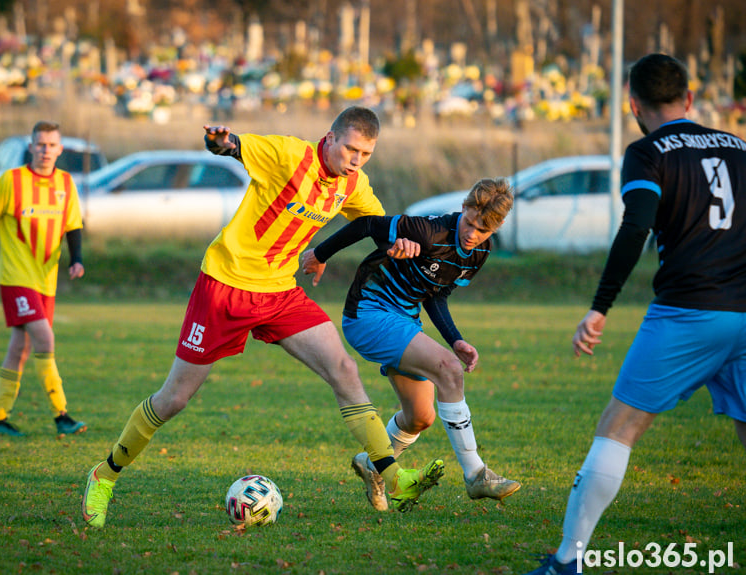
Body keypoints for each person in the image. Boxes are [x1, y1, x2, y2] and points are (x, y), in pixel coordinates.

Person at [81, 106, 445, 529]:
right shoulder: (288, 155)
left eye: (365, 154)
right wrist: (220, 142)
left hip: (278, 292)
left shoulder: (353, 184)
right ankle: (104, 475)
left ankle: (393, 476)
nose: (355, 160)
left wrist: (399, 243)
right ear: (330, 138)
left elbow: (376, 223)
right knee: (174, 399)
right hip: (224, 287)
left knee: (343, 369)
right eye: (350, 149)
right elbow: (232, 146)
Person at [525, 53, 746, 575]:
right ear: (690, 99)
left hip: (687, 311)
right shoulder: (740, 148)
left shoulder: (648, 152)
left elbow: (635, 227)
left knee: (619, 426)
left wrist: (600, 307)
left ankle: (567, 562)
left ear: (633, 105)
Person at [302, 177, 521, 511]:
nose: (473, 234)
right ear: (464, 207)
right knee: (449, 370)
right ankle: (476, 474)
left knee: (420, 417)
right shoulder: (428, 231)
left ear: (497, 227)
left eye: (483, 230)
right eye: (471, 223)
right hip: (368, 312)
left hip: (404, 320)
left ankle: (373, 465)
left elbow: (437, 292)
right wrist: (319, 254)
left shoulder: (480, 253)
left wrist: (455, 339)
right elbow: (365, 225)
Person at [0, 120, 87, 438]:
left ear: (59, 149)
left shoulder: (65, 183)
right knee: (45, 340)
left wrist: (77, 259)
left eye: (51, 145)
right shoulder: (10, 181)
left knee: (21, 348)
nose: (45, 150)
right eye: (40, 144)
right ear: (31, 147)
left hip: (47, 280)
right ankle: (62, 415)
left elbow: (73, 226)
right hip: (16, 278)